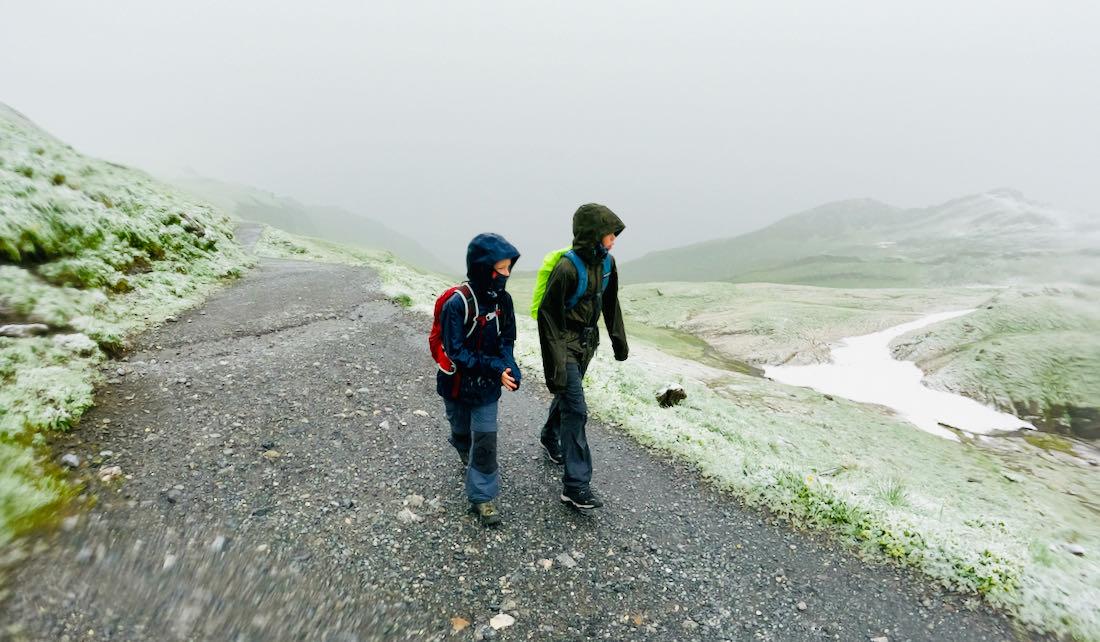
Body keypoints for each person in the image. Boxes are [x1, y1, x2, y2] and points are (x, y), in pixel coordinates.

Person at [537, 204, 628, 509]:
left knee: (567, 399)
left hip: (587, 343)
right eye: (608, 234)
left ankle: (550, 437)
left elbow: (611, 304)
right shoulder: (566, 268)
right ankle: (576, 486)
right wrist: (555, 365)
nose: (613, 240)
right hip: (563, 343)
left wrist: (619, 342)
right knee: (576, 409)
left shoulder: (608, 264)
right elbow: (547, 317)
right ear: (593, 235)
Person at [437, 233, 521, 526]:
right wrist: (495, 369)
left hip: (486, 389)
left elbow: (506, 340)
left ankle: (482, 498)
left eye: (509, 268)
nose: (506, 275)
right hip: (457, 385)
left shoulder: (504, 302)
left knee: (485, 439)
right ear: (483, 267)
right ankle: (462, 448)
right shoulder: (457, 304)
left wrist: (510, 368)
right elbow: (457, 352)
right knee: (461, 431)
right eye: (501, 269)